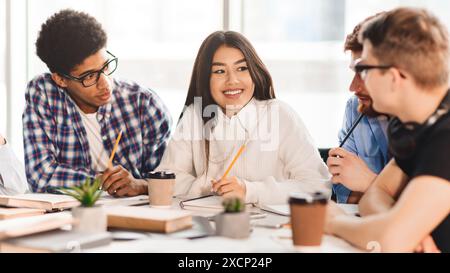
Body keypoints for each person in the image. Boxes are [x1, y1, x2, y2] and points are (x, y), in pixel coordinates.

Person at [325, 7, 450, 252]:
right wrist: (403, 229)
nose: (355, 84)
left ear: (394, 78)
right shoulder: (410, 125)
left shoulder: (445, 137)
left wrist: (333, 222)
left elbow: (390, 241)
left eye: (364, 70)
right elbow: (375, 195)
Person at [157, 31, 330, 205]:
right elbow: (166, 178)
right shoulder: (194, 115)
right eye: (219, 71)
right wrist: (213, 187)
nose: (232, 80)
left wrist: (250, 191)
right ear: (205, 79)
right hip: (209, 223)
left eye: (242, 68)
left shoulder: (279, 114)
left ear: (254, 71)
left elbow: (318, 187)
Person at [23, 9, 172, 196]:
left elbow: (169, 181)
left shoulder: (145, 104)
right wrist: (100, 181)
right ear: (60, 80)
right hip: (71, 218)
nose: (105, 83)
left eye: (106, 67)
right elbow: (40, 177)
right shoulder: (44, 93)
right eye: (90, 76)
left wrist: (140, 185)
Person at [328, 14, 390, 204]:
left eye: (364, 73)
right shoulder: (356, 107)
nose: (353, 88)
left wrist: (369, 183)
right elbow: (346, 191)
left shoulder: (434, 126)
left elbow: (422, 209)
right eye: (355, 72)